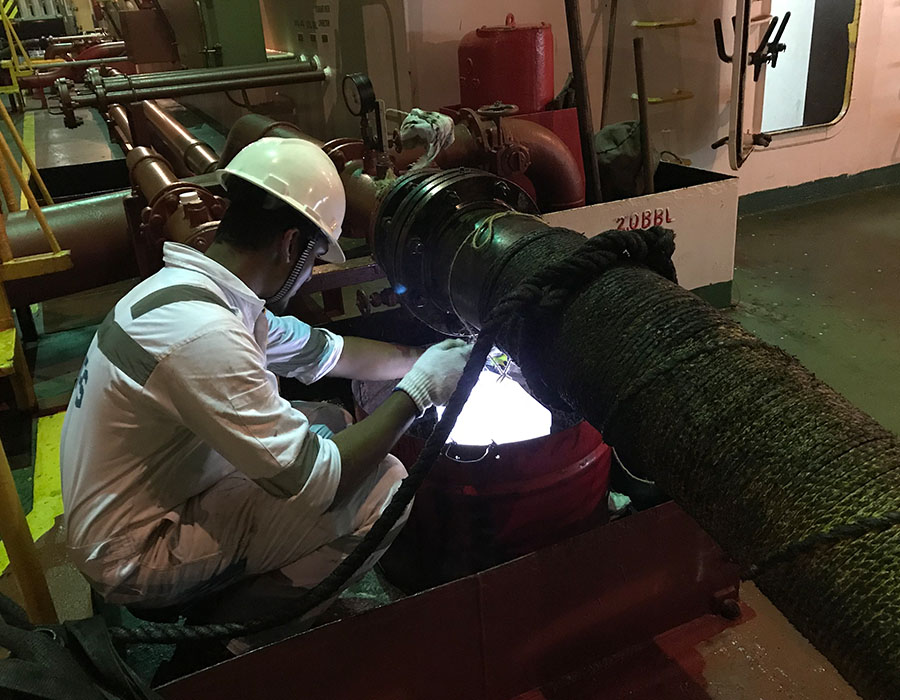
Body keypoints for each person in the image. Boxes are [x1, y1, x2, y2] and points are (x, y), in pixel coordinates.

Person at [60, 137, 472, 639]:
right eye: (315, 258)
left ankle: (253, 593)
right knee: (385, 487)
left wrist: (425, 358)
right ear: (291, 245)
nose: (310, 271)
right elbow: (320, 480)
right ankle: (243, 638)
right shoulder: (205, 335)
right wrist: (421, 390)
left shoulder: (195, 295)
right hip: (134, 551)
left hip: (141, 498)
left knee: (332, 421)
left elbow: (329, 352)